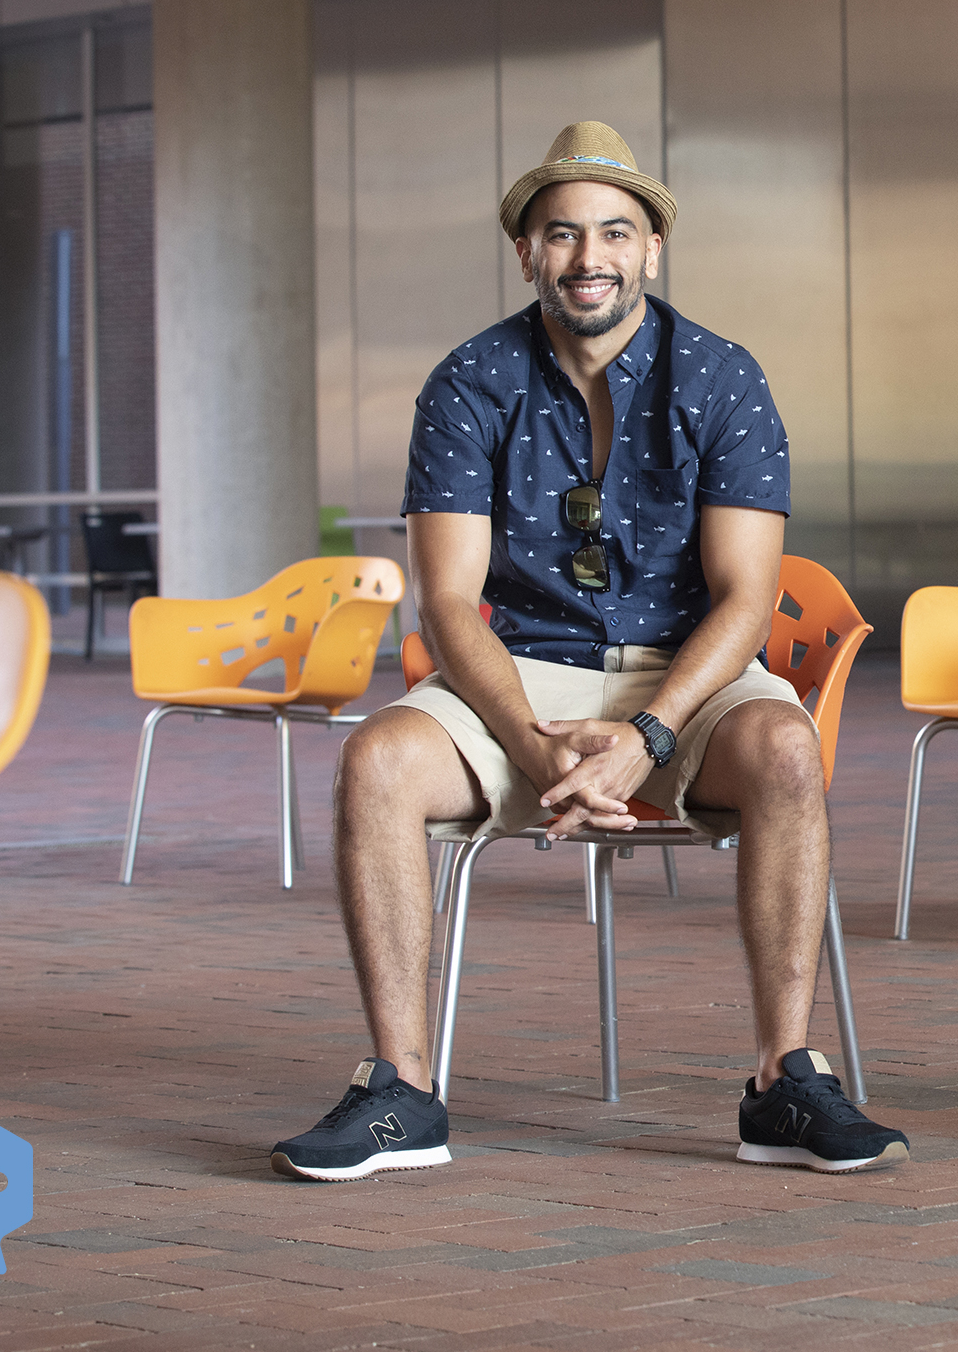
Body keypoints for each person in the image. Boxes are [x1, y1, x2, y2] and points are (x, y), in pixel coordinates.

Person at [270, 122, 907, 1182]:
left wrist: (648, 733)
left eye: (615, 231)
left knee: (788, 752)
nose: (588, 257)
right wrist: (528, 739)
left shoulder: (723, 377)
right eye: (561, 234)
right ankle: (401, 1091)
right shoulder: (469, 380)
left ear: (652, 247)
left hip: (688, 672)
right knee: (373, 759)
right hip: (520, 675)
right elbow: (448, 600)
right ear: (527, 250)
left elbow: (748, 596)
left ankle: (784, 1082)